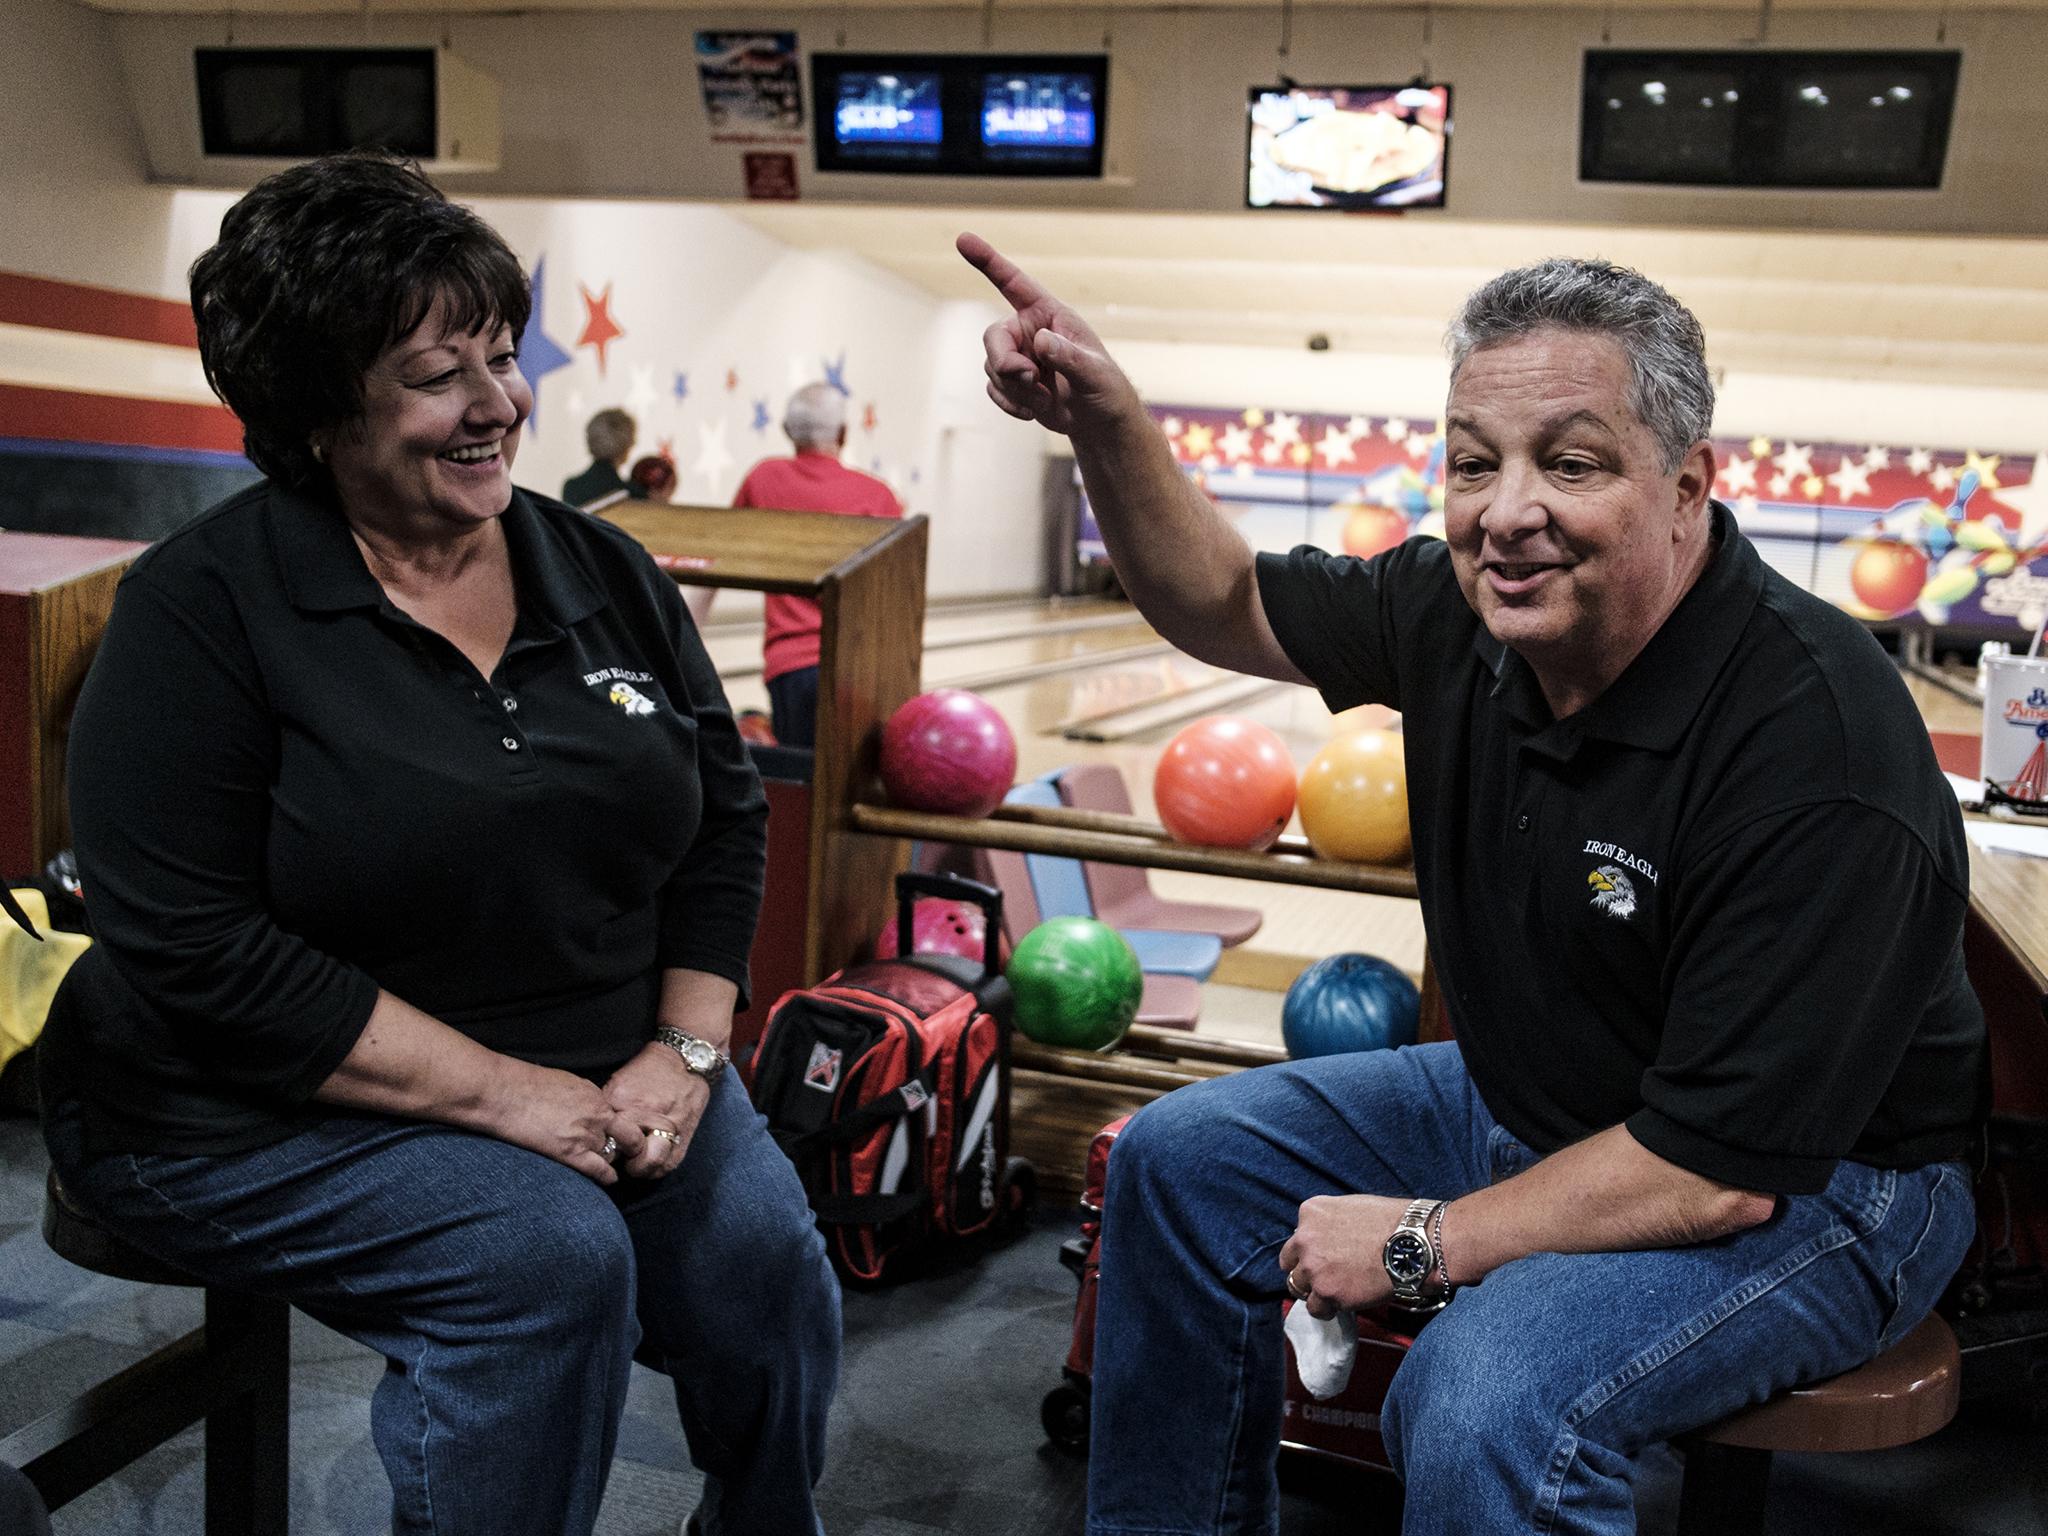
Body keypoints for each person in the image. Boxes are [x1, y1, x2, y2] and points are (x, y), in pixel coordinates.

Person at [959, 232, 1985, 1535]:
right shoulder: (1455, 607)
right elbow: (1219, 598)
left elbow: (1718, 1168)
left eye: (1571, 461)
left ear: (1687, 487)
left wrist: (1417, 1245)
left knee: (1479, 1393)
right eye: (1471, 461)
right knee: (1175, 1161)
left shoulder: (1813, 742)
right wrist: (1105, 421)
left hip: (1822, 1183)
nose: (1506, 511)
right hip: (1551, 1097)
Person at [37, 153, 840, 1536]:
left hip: (600, 1063)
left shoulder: (604, 573)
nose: (500, 405)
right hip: (237, 1105)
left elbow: (722, 816)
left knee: (763, 1260)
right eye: (435, 373)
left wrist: (689, 1052)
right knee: (542, 1259)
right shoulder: (203, 613)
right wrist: (497, 1094)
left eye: (502, 355)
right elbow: (191, 947)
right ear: (313, 410)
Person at [730, 382, 902, 747]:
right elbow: (896, 600)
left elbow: (717, 556)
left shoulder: (763, 477)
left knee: (802, 787)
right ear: (843, 432)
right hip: (858, 668)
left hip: (790, 666)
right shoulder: (879, 495)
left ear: (788, 431)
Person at [564, 405, 636, 505]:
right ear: (626, 444)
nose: (634, 442)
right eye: (632, 437)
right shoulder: (632, 493)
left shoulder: (571, 488)